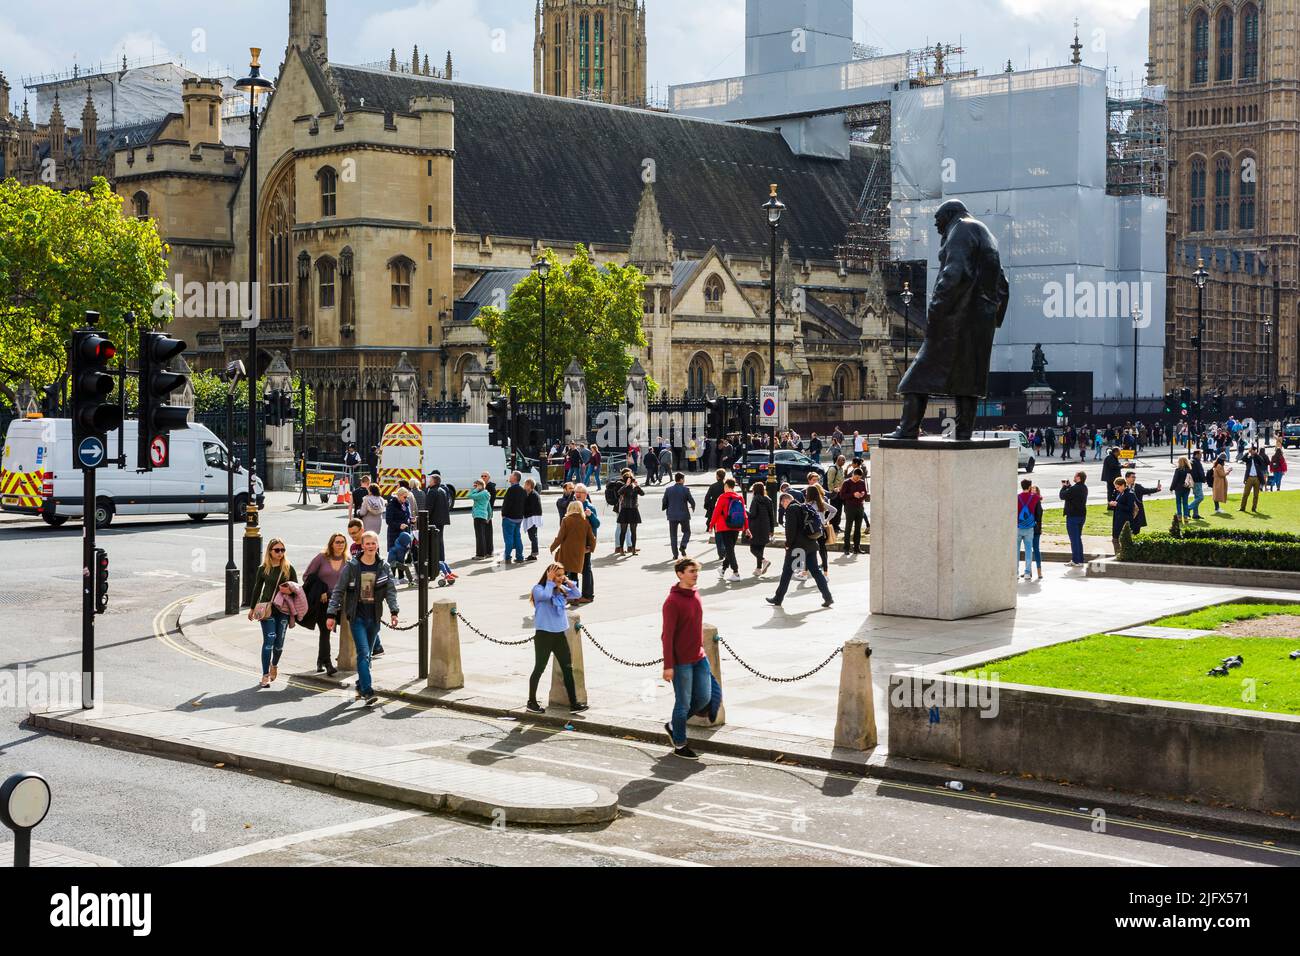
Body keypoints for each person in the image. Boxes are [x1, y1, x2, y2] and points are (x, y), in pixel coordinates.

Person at [325, 531, 399, 708]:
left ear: (377, 545)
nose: (371, 546)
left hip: (374, 617)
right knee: (364, 654)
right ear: (362, 546)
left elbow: (390, 591)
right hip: (357, 616)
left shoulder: (383, 566)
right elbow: (338, 590)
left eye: (373, 543)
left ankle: (360, 685)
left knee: (368, 657)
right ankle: (367, 692)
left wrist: (394, 611)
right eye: (367, 544)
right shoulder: (352, 567)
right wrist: (331, 614)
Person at [661, 558, 711, 760]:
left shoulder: (695, 594)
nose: (695, 574)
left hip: (699, 657)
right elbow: (667, 636)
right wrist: (668, 666)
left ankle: (674, 725)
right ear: (680, 574)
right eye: (691, 571)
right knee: (683, 703)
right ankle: (680, 744)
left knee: (704, 699)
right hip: (682, 661)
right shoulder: (672, 602)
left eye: (696, 571)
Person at [525, 562, 587, 715]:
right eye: (557, 575)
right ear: (549, 575)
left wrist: (567, 581)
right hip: (544, 636)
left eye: (561, 575)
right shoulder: (538, 589)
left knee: (568, 669)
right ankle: (531, 702)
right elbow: (545, 596)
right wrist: (549, 581)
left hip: (560, 635)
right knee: (539, 668)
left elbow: (577, 594)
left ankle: (574, 704)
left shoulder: (561, 590)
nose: (559, 578)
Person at [766, 492, 834, 608]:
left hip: (797, 547)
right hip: (811, 544)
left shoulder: (791, 509)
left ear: (785, 501)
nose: (783, 507)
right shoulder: (803, 507)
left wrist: (788, 544)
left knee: (787, 571)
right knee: (816, 572)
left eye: (783, 505)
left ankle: (778, 598)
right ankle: (828, 597)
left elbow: (790, 531)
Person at [248, 538, 298, 688]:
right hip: (267, 610)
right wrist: (252, 608)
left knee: (279, 645)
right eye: (277, 550)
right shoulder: (263, 568)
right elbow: (257, 588)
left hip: (283, 610)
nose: (280, 553)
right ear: (270, 551)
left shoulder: (289, 568)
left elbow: (297, 589)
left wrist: (289, 589)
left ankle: (274, 664)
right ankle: (265, 675)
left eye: (282, 550)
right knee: (269, 641)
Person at [303, 533, 348, 677]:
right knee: (325, 631)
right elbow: (307, 577)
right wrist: (321, 589)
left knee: (348, 630)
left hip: (341, 602)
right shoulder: (321, 558)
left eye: (342, 542)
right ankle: (328, 664)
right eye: (337, 542)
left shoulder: (348, 560)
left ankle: (320, 660)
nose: (340, 544)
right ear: (331, 544)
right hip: (323, 603)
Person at [550, 501, 597, 603]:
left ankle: (565, 597)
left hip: (566, 552)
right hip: (579, 553)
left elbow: (560, 537)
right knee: (575, 574)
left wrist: (552, 547)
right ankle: (575, 597)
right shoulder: (585, 521)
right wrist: (591, 548)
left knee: (564, 574)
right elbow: (592, 538)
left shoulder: (566, 520)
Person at [708, 477, 748, 583]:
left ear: (726, 486)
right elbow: (744, 514)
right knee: (730, 549)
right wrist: (746, 528)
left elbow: (716, 512)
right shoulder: (739, 497)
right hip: (737, 526)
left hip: (725, 527)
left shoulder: (723, 497)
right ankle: (723, 569)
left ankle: (736, 572)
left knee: (729, 550)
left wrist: (711, 525)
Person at [571, 484, 600, 603]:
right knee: (572, 569)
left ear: (586, 495)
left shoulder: (589, 507)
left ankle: (588, 595)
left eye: (581, 492)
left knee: (585, 568)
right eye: (576, 491)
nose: (577, 493)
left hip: (585, 544)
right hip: (573, 543)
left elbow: (597, 524)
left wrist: (591, 515)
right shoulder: (572, 506)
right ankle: (574, 595)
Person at [662, 471, 696, 560]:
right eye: (684, 479)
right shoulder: (685, 489)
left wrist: (666, 508)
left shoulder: (668, 489)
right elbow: (691, 501)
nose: (684, 480)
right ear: (681, 480)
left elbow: (664, 502)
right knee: (687, 532)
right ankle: (683, 545)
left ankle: (675, 555)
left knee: (673, 536)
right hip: (683, 515)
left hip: (672, 515)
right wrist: (693, 507)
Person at [745, 481, 776, 576]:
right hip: (765, 527)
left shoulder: (755, 500)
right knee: (760, 548)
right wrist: (771, 530)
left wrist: (745, 510)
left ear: (755, 490)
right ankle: (758, 569)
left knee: (753, 549)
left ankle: (764, 561)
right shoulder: (769, 500)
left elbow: (753, 514)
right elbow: (772, 516)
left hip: (755, 527)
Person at [805, 483, 836, 575]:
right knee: (823, 550)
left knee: (808, 550)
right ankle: (825, 572)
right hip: (821, 528)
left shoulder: (808, 505)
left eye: (806, 492)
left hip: (811, 529)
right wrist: (826, 520)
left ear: (809, 494)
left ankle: (805, 572)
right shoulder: (821, 503)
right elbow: (834, 510)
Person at [1059, 471, 1088, 567]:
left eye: (1075, 476)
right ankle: (1080, 560)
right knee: (1078, 538)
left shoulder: (1074, 488)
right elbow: (1071, 493)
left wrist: (1064, 486)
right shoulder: (1084, 488)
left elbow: (1062, 496)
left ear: (1078, 477)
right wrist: (1069, 487)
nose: (1074, 477)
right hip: (1081, 515)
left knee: (1074, 539)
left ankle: (1076, 560)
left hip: (1073, 516)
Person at [839, 468, 868, 555]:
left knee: (858, 528)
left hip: (860, 507)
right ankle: (846, 548)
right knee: (848, 527)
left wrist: (862, 495)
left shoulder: (862, 482)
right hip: (850, 507)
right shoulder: (847, 482)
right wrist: (853, 494)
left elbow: (865, 493)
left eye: (859, 478)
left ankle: (857, 547)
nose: (857, 479)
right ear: (853, 475)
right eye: (856, 478)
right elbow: (842, 495)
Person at [1015, 480, 1040, 581]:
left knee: (1016, 551)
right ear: (1030, 487)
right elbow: (1040, 498)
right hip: (1029, 527)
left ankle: (1016, 573)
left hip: (1018, 526)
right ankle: (1027, 572)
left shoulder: (1017, 497)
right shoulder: (1034, 497)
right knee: (1028, 550)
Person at [616, 472, 646, 555]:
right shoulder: (624, 488)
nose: (632, 480)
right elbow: (619, 492)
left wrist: (637, 485)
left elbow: (642, 493)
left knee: (633, 531)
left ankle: (633, 549)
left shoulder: (635, 488)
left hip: (633, 510)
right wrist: (626, 485)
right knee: (623, 531)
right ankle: (621, 549)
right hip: (625, 510)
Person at [1124, 471, 1162, 535]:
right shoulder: (1123, 487)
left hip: (1137, 511)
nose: (1134, 478)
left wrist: (1157, 489)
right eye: (1132, 477)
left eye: (1134, 477)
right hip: (1127, 511)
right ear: (1126, 478)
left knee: (1136, 529)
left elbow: (1147, 490)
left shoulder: (1138, 486)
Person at [501, 471, 526, 564]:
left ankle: (507, 557)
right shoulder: (522, 490)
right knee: (517, 537)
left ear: (515, 478)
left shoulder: (511, 490)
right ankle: (520, 556)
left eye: (511, 475)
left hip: (509, 517)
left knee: (509, 538)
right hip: (519, 517)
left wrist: (503, 514)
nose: (509, 476)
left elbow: (507, 504)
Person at [702, 468, 728, 560]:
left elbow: (707, 498)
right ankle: (724, 549)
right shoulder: (726, 486)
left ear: (717, 476)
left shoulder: (713, 486)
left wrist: (709, 506)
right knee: (725, 532)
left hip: (715, 511)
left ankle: (720, 552)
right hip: (725, 512)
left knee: (717, 532)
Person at [426, 473, 451, 564]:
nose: (429, 481)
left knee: (434, 541)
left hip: (434, 520)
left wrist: (425, 518)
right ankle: (441, 559)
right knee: (440, 540)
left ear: (434, 481)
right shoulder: (442, 490)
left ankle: (436, 560)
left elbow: (428, 507)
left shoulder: (432, 491)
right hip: (442, 519)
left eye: (430, 480)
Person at [1110, 478, 1139, 554]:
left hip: (1125, 521)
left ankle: (1121, 555)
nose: (1117, 489)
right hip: (1118, 520)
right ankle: (1119, 555)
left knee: (1121, 540)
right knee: (1115, 539)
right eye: (1116, 488)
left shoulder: (1130, 493)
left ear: (1123, 485)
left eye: (1118, 487)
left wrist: (1117, 504)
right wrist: (1113, 504)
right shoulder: (1119, 493)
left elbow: (1129, 508)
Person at [1241, 445, 1269, 512]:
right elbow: (1243, 459)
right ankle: (1242, 507)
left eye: (1253, 450)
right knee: (1245, 494)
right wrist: (1248, 452)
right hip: (1249, 478)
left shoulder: (1257, 458)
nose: (1253, 452)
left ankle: (1254, 508)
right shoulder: (1248, 458)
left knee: (1256, 495)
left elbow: (1262, 461)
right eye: (1252, 450)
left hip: (1257, 478)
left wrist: (1256, 454)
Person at [469, 479, 492, 558]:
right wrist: (489, 516)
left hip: (478, 516)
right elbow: (489, 507)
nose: (474, 487)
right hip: (483, 516)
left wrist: (476, 489)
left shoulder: (481, 494)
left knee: (479, 536)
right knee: (482, 535)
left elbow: (469, 495)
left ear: (480, 486)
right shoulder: (486, 494)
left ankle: (480, 554)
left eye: (476, 485)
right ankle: (484, 552)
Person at [522, 478, 543, 561]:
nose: (524, 486)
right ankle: (534, 553)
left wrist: (524, 512)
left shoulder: (533, 495)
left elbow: (531, 507)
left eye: (525, 484)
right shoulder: (531, 493)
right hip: (532, 516)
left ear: (529, 485)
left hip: (533, 517)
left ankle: (534, 553)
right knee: (533, 535)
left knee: (532, 536)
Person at [1172, 457, 1193, 523]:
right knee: (1185, 503)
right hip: (1186, 488)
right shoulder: (1189, 470)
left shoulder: (1178, 470)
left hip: (1178, 488)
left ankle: (1179, 517)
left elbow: (1175, 480)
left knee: (1178, 502)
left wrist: (1171, 488)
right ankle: (1186, 517)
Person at [1190, 449, 1207, 520]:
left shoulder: (1196, 461)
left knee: (1197, 497)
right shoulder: (1194, 462)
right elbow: (1195, 473)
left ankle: (1195, 514)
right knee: (1200, 497)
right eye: (1200, 454)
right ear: (1196, 455)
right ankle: (1187, 508)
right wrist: (1201, 479)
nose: (1201, 455)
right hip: (1196, 482)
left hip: (1198, 481)